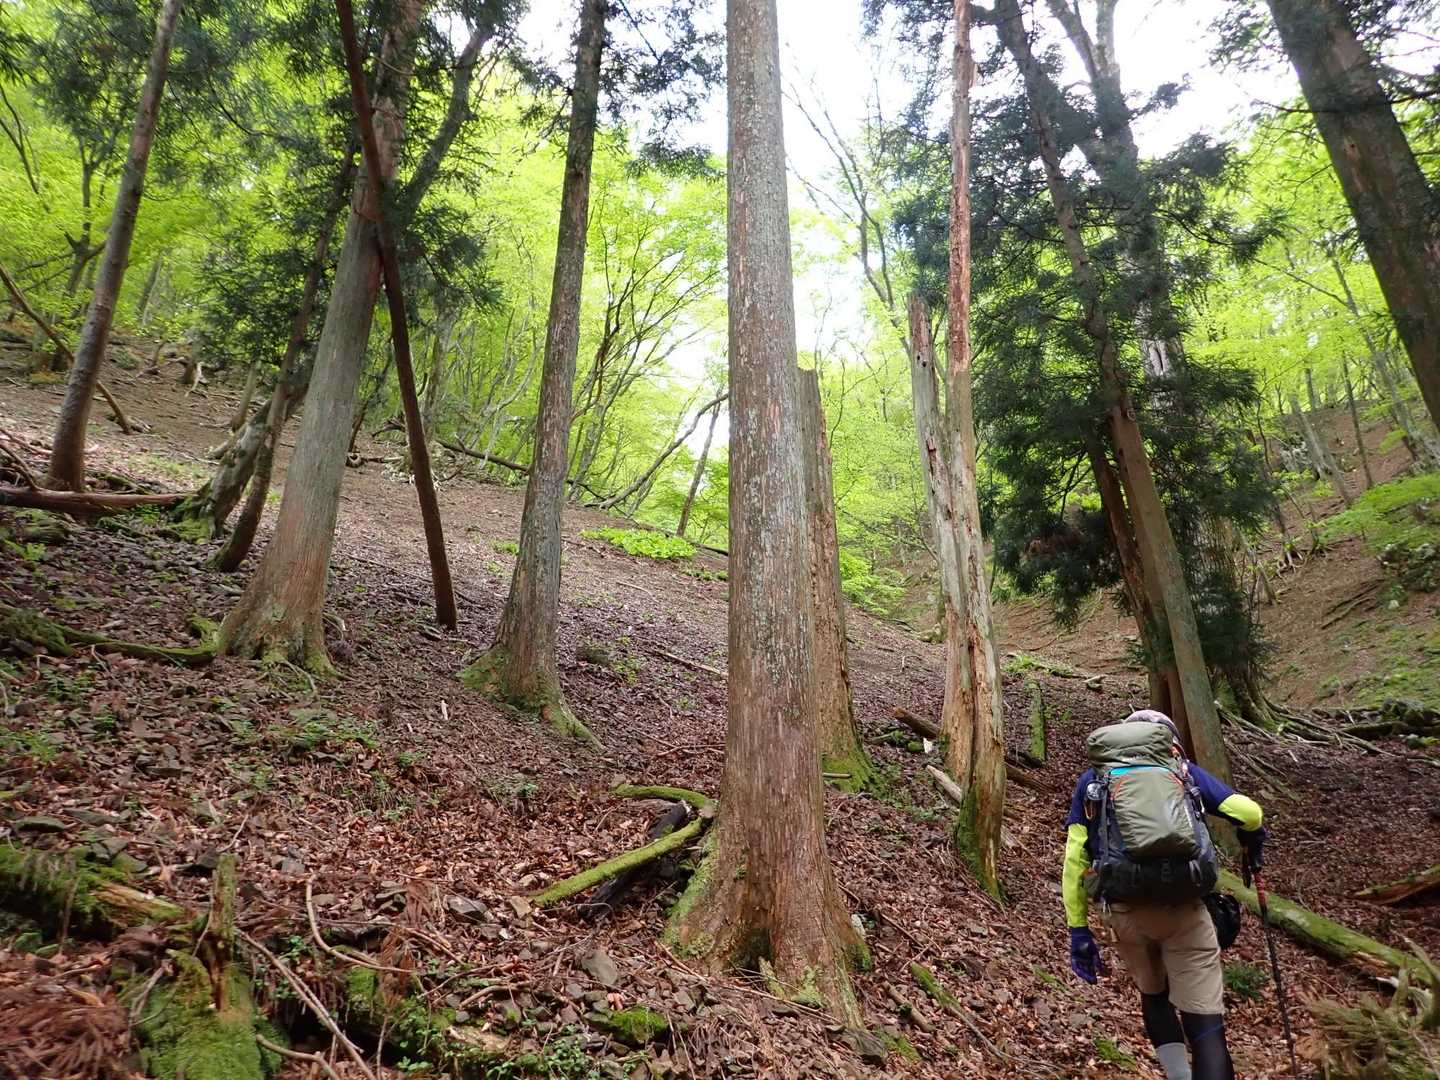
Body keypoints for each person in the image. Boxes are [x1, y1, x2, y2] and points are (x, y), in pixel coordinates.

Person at [1062, 710, 1266, 1080]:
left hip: (1125, 913)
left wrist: (1078, 930)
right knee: (1204, 1022)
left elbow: (1075, 859)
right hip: (1184, 910)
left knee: (1154, 994)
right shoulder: (1183, 771)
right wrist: (1252, 839)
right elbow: (1250, 812)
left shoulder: (1094, 780)